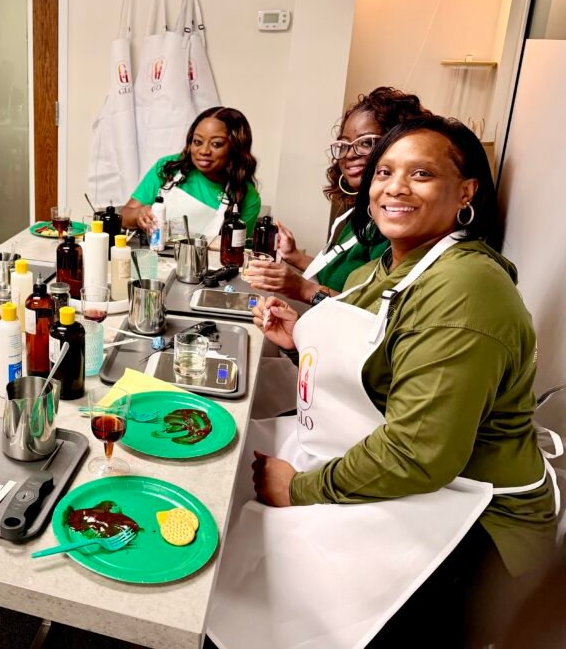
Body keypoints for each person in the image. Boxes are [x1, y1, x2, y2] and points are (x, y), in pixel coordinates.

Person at [208, 116, 558, 649]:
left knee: (260, 568)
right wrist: (299, 340)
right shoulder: (389, 267)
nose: (395, 187)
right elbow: (377, 362)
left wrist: (298, 489)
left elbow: (420, 454)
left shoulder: (466, 289)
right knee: (229, 476)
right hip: (396, 466)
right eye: (385, 172)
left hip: (472, 515)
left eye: (421, 174)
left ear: (466, 192)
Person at [245, 86, 430, 302]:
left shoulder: (393, 222)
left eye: (366, 143)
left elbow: (373, 310)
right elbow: (334, 276)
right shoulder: (361, 214)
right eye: (344, 145)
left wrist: (302, 288)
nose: (350, 154)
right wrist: (293, 255)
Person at [122, 106, 260, 239]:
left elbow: (235, 249)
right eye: (198, 142)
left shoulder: (248, 197)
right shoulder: (168, 168)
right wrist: (138, 214)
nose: (204, 151)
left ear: (235, 147)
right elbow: (124, 217)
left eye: (216, 144)